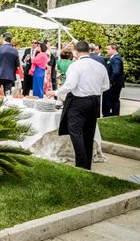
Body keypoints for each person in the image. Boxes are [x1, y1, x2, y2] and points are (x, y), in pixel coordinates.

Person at [46, 41, 110, 170]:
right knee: (89, 132)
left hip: (79, 102)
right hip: (95, 101)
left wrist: (55, 92)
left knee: (75, 131)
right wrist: (93, 90)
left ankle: (81, 164)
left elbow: (70, 85)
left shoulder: (75, 66)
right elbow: (105, 86)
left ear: (75, 52)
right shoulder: (100, 66)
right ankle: (87, 165)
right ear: (89, 51)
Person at [103, 44, 125, 117]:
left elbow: (116, 72)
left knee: (113, 99)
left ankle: (113, 114)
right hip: (115, 83)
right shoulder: (112, 58)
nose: (106, 50)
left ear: (114, 49)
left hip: (115, 84)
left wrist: (110, 82)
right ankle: (112, 114)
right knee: (113, 99)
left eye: (108, 49)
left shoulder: (116, 59)